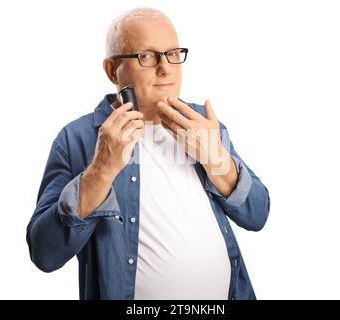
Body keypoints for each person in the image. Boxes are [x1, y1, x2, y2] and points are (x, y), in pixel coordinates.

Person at [26, 7, 270, 300]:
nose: (165, 67)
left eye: (172, 53)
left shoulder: (204, 125)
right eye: (147, 56)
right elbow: (44, 253)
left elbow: (258, 214)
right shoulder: (76, 139)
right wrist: (101, 171)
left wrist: (217, 160)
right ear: (111, 70)